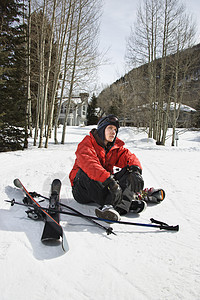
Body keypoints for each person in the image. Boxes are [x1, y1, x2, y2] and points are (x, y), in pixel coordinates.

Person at [69, 114, 162, 221]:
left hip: (103, 186)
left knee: (129, 170)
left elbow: (129, 157)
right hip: (82, 190)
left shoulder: (113, 148)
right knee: (86, 171)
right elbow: (90, 164)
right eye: (109, 128)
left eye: (115, 129)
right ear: (101, 129)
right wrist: (110, 182)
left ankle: (120, 206)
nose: (113, 132)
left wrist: (135, 171)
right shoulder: (87, 144)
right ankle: (112, 204)